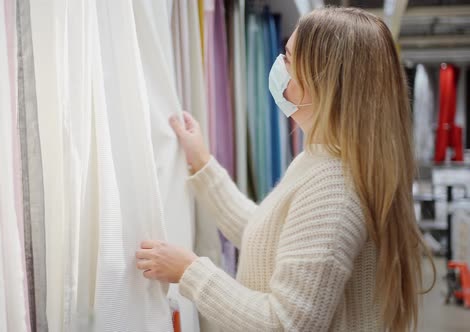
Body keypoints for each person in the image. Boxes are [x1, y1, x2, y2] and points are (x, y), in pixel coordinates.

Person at [135, 7, 434, 331]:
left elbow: (285, 324)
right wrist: (204, 165)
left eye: (289, 59)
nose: (279, 67)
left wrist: (190, 272)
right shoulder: (326, 160)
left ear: (324, 81)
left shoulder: (335, 186)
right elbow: (269, 238)